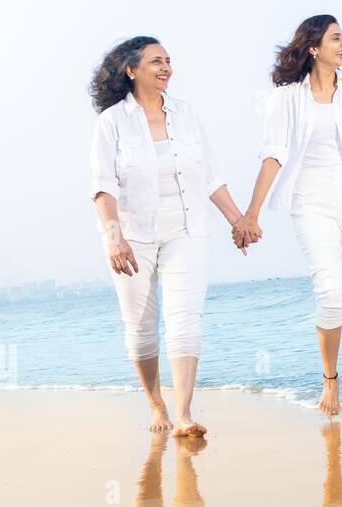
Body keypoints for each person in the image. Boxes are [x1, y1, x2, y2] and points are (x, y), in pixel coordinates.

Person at [232, 15, 342, 417]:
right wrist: (251, 213)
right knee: (331, 292)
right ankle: (330, 381)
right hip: (311, 202)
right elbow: (273, 154)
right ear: (314, 48)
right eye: (336, 38)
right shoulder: (285, 99)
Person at [89, 36, 248, 436]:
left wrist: (238, 221)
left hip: (187, 229)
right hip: (133, 236)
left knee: (185, 321)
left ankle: (183, 414)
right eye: (156, 61)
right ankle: (156, 404)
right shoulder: (112, 123)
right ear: (131, 69)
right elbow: (103, 188)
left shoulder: (186, 114)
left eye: (169, 61)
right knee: (140, 326)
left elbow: (211, 178)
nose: (166, 68)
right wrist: (114, 236)